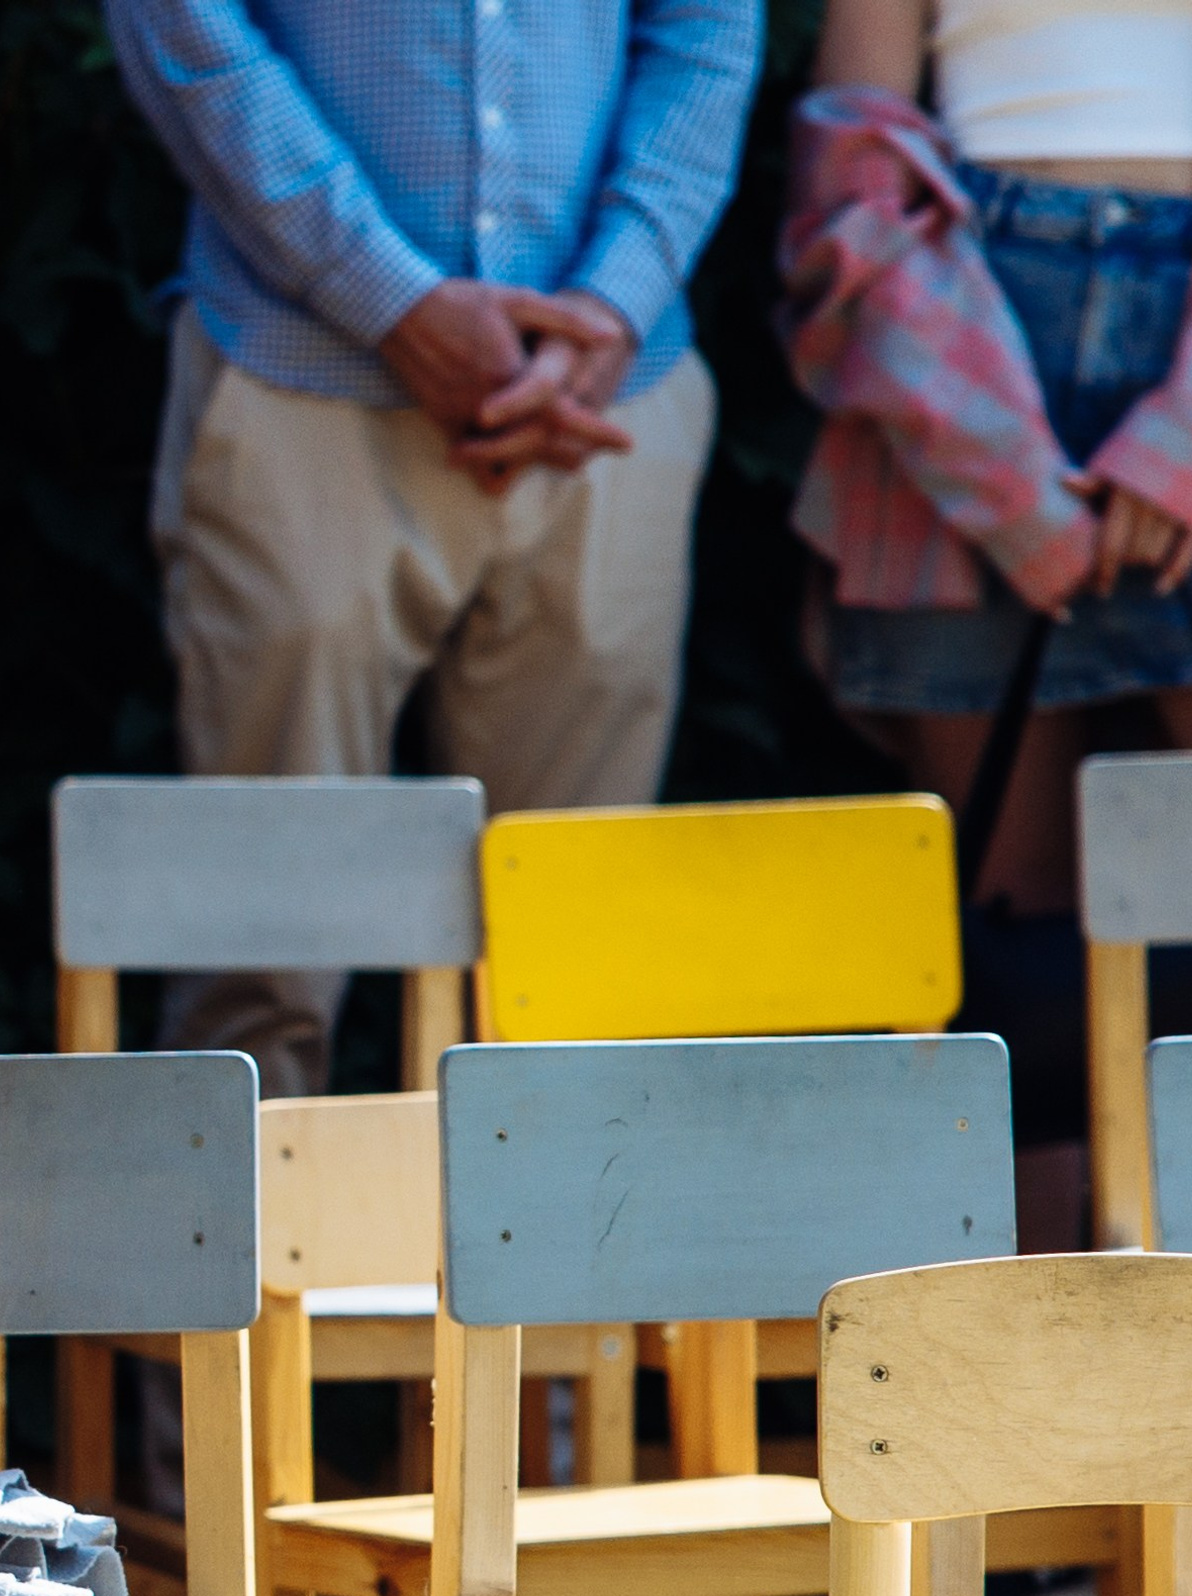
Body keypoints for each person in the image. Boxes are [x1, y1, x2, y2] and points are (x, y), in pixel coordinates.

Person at [107, 0, 762, 1096]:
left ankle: (562, 1264)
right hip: (296, 368)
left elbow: (707, 30)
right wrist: (389, 300)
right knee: (256, 967)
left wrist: (615, 300)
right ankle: (246, 1267)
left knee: (573, 969)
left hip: (606, 393)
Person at [782, 0, 1192, 1239]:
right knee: (999, 958)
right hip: (955, 335)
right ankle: (1019, 1395)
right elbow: (849, 159)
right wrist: (999, 468)